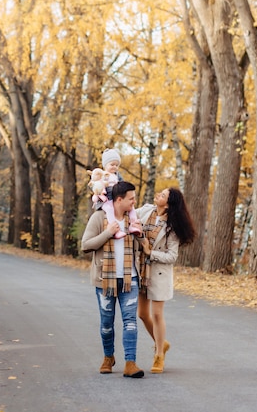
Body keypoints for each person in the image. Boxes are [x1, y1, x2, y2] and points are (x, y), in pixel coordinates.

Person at [81, 181, 145, 378]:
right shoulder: (99, 218)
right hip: (105, 280)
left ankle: (130, 363)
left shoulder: (133, 219)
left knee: (130, 321)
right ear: (119, 200)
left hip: (129, 279)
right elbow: (85, 245)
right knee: (107, 324)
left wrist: (140, 235)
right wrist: (108, 233)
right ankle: (108, 357)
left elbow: (142, 247)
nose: (134, 202)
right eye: (131, 198)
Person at [136, 188, 196, 374]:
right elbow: (127, 216)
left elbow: (172, 256)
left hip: (158, 273)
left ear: (169, 204)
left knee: (157, 314)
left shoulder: (172, 226)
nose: (158, 195)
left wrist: (149, 252)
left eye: (162, 195)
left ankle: (159, 355)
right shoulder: (146, 211)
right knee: (142, 314)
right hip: (141, 270)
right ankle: (161, 342)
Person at [91, 149, 140, 238]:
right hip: (106, 199)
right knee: (109, 210)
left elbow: (123, 185)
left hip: (116, 197)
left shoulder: (117, 175)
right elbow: (95, 185)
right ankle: (116, 230)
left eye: (117, 165)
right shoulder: (101, 174)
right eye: (112, 164)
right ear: (105, 165)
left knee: (131, 207)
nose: (115, 167)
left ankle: (133, 224)